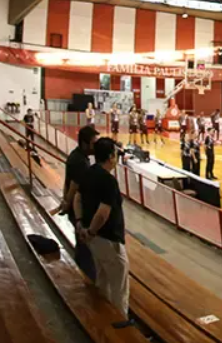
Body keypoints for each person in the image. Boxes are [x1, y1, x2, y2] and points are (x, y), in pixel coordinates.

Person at [75, 137, 129, 317]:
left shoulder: (88, 172)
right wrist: (90, 231)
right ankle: (120, 328)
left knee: (103, 281)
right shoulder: (109, 181)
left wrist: (79, 222)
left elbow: (77, 198)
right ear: (110, 157)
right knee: (119, 290)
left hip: (94, 240)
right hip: (109, 240)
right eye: (115, 154)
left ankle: (103, 321)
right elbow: (103, 212)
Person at [57, 124, 99, 281]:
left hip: (74, 209)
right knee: (85, 247)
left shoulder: (75, 156)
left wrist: (65, 199)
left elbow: (67, 183)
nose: (96, 147)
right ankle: (87, 279)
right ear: (85, 143)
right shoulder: (80, 162)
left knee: (82, 246)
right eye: (94, 143)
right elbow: (74, 186)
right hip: (78, 211)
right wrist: (67, 203)